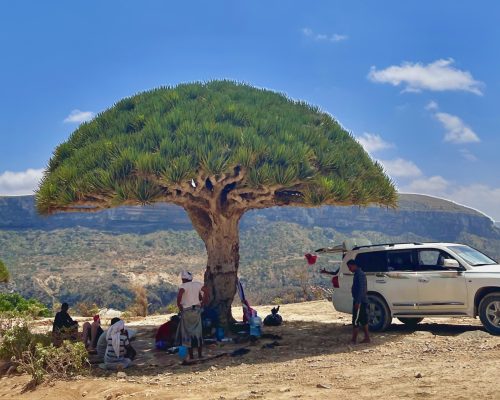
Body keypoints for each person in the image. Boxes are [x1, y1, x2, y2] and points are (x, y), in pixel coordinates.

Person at [176, 271, 209, 360]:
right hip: (197, 310)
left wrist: (179, 306)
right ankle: (200, 354)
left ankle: (191, 356)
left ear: (183, 279)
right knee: (198, 332)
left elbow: (180, 296)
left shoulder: (183, 286)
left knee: (187, 333)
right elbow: (206, 290)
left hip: (186, 311)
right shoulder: (197, 284)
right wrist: (203, 302)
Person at [347, 259, 370, 344]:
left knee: (356, 320)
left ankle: (354, 339)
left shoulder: (359, 274)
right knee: (363, 320)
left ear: (354, 265)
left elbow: (361, 289)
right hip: (362, 300)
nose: (349, 269)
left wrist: (358, 302)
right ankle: (367, 338)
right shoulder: (359, 273)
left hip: (359, 301)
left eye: (350, 267)